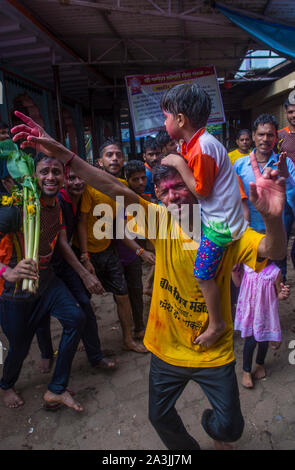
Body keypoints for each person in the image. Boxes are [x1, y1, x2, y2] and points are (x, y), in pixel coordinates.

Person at [11, 110, 287, 450]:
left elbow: (272, 251)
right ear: (156, 195)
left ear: (194, 187)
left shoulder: (224, 231)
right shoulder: (158, 221)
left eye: (179, 188)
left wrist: (273, 219)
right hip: (166, 349)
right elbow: (110, 185)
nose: (173, 197)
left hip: (213, 354)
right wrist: (63, 154)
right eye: (164, 191)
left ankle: (217, 432)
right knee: (159, 417)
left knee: (230, 428)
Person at [160, 83, 248, 348]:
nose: (164, 122)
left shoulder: (203, 148)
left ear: (180, 119)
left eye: (166, 117)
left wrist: (176, 162)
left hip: (221, 226)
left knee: (202, 273)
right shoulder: (195, 143)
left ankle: (218, 323)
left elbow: (201, 190)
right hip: (221, 218)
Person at [0, 154, 85, 411]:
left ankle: (56, 388)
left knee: (76, 318)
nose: (51, 177)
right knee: (20, 346)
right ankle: (6, 385)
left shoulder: (56, 203)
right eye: (44, 171)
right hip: (14, 292)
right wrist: (6, 272)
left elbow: (58, 239)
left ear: (63, 177)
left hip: (47, 281)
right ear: (33, 176)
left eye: (56, 172)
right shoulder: (15, 208)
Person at [35, 161, 116, 373]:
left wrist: (84, 257)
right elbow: (61, 242)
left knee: (85, 305)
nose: (77, 182)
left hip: (64, 261)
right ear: (64, 182)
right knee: (41, 312)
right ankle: (46, 352)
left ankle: (95, 355)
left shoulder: (82, 197)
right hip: (46, 265)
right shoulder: (58, 200)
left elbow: (77, 227)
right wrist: (84, 270)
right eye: (72, 178)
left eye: (81, 177)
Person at [75, 157, 148, 354]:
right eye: (109, 155)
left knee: (123, 294)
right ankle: (86, 339)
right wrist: (85, 256)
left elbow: (119, 224)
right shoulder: (90, 189)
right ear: (100, 162)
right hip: (88, 251)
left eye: (118, 154)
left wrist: (140, 250)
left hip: (109, 249)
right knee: (84, 299)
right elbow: (81, 221)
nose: (114, 158)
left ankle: (128, 339)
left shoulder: (123, 186)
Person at [234, 113, 295, 282]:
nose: (265, 139)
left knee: (276, 282)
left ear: (276, 138)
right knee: (249, 281)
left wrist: (286, 176)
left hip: (276, 232)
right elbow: (235, 200)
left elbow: (294, 200)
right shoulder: (239, 165)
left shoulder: (286, 164)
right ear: (253, 136)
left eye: (270, 135)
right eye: (261, 134)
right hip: (249, 232)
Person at [233, 261, 290, 389]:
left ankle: (260, 364)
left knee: (263, 341)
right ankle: (246, 371)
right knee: (250, 342)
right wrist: (233, 271)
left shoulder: (275, 272)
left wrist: (284, 294)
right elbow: (238, 283)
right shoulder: (246, 266)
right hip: (250, 315)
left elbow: (279, 293)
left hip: (264, 316)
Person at [142, 136, 162, 203]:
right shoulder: (144, 174)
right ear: (144, 156)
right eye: (151, 154)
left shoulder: (160, 170)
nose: (155, 158)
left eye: (157, 154)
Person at [278, 98, 295, 162]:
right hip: (286, 172)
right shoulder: (278, 135)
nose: (294, 115)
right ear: (286, 113)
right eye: (290, 112)